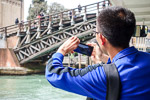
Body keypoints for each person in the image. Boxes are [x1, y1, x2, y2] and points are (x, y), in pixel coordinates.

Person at [45, 6, 150, 99]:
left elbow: (53, 74)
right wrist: (103, 58)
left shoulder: (101, 76)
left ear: (101, 38)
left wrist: (61, 50)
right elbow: (124, 64)